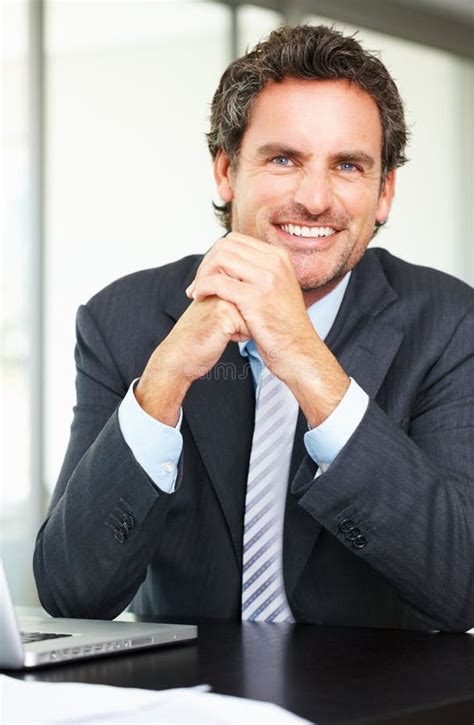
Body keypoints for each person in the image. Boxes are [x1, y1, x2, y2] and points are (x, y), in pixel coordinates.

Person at [34, 25, 473, 631]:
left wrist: (302, 355)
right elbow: (72, 595)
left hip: (374, 707)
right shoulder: (121, 320)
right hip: (184, 705)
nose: (315, 199)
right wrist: (162, 383)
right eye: (284, 159)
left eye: (348, 165)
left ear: (384, 193)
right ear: (225, 171)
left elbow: (460, 586)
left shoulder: (450, 323)